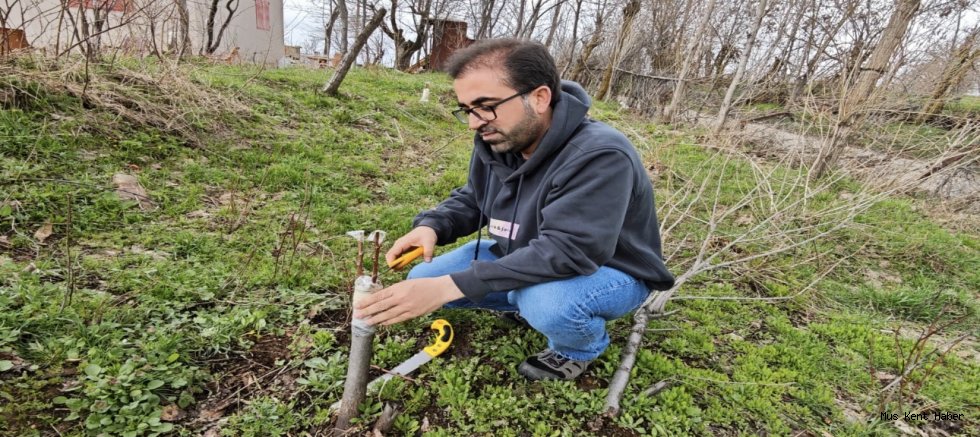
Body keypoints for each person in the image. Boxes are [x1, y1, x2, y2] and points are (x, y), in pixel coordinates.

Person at [354, 38, 674, 381]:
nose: (474, 123)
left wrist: (453, 286)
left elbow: (571, 251)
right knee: (423, 279)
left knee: (546, 304)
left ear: (539, 98)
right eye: (467, 109)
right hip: (525, 252)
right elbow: (476, 197)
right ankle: (522, 296)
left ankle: (576, 349)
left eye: (486, 105)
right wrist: (433, 226)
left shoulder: (600, 155)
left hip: (609, 269)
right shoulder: (501, 139)